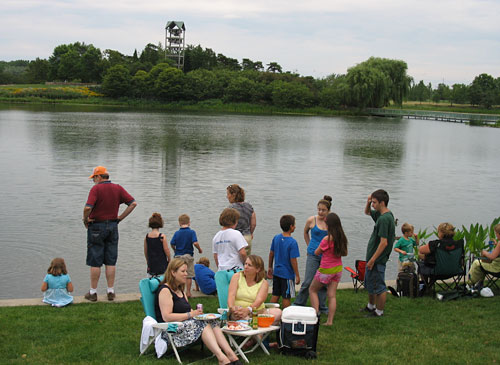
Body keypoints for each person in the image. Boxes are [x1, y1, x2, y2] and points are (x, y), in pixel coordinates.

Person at [155, 258, 242, 365]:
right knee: (202, 324)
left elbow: (187, 310)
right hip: (172, 330)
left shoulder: (180, 289)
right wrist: (191, 314)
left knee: (213, 321)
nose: (186, 274)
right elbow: (166, 317)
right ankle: (221, 358)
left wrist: (198, 314)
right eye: (183, 271)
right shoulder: (165, 290)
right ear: (173, 272)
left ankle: (230, 354)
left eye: (186, 271)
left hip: (186, 325)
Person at [83, 166, 137, 302]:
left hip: (96, 226)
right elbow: (133, 204)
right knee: (111, 261)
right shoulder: (117, 188)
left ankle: (93, 292)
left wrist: (85, 219)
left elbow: (87, 207)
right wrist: (119, 218)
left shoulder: (96, 189)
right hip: (113, 226)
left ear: (99, 177)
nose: (93, 181)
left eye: (94, 178)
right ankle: (110, 291)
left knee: (95, 261)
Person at [293, 195, 332, 314]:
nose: (320, 212)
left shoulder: (331, 222)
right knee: (308, 280)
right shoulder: (311, 220)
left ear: (328, 211)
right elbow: (305, 232)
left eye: (323, 210)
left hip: (326, 256)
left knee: (324, 282)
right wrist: (309, 244)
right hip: (313, 254)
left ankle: (322, 306)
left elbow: (335, 236)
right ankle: (299, 303)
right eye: (319, 209)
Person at [361, 189, 395, 318]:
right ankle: (371, 306)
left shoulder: (384, 219)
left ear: (382, 202)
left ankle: (379, 312)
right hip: (373, 258)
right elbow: (367, 212)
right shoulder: (382, 215)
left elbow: (384, 243)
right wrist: (368, 201)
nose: (372, 204)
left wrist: (373, 259)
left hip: (377, 259)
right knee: (371, 283)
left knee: (379, 286)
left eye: (374, 202)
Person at [309, 213, 348, 326]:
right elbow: (344, 253)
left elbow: (317, 252)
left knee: (312, 290)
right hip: (338, 269)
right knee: (331, 295)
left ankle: (315, 315)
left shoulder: (327, 239)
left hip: (326, 269)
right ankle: (330, 321)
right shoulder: (342, 238)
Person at [227, 255, 281, 324]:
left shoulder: (263, 283)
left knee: (278, 312)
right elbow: (231, 295)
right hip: (238, 312)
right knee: (243, 317)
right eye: (245, 264)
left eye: (249, 265)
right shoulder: (237, 277)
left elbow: (259, 300)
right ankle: (258, 329)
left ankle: (255, 325)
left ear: (257, 269)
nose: (246, 267)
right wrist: (232, 308)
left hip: (256, 312)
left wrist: (248, 310)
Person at [213, 208, 248, 308]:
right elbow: (243, 253)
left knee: (224, 304)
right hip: (235, 270)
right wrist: (245, 264)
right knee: (238, 301)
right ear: (234, 221)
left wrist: (220, 266)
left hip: (221, 272)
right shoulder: (236, 234)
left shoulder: (216, 237)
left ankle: (224, 321)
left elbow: (216, 256)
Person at [267, 215, 300, 308]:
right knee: (286, 297)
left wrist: (270, 267)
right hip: (287, 275)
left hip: (277, 272)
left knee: (275, 294)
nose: (295, 226)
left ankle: (269, 313)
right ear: (291, 227)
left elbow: (271, 253)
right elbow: (293, 260)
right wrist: (297, 275)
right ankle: (286, 316)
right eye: (294, 225)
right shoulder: (293, 242)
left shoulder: (276, 238)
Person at [417, 223, 462, 288]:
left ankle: (427, 286)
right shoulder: (458, 244)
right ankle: (429, 285)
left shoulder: (436, 244)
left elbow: (421, 250)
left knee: (421, 258)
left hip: (438, 272)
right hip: (455, 271)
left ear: (441, 233)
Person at [171, 214, 202, 298]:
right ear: (189, 223)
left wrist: (175, 250)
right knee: (189, 274)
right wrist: (199, 249)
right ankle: (188, 292)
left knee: (178, 274)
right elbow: (195, 243)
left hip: (178, 256)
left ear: (179, 223)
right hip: (188, 255)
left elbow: (172, 243)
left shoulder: (177, 233)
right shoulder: (191, 232)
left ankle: (178, 291)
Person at [226, 184, 256, 255]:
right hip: (247, 238)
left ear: (233, 195)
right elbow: (253, 224)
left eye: (228, 194)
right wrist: (250, 233)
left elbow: (228, 225)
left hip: (236, 239)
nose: (227, 197)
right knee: (246, 262)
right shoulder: (249, 206)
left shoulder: (231, 208)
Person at [468, 224, 500, 288]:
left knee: (477, 263)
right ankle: (479, 283)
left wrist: (484, 253)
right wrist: (497, 245)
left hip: (497, 269)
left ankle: (470, 283)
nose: (496, 235)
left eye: (496, 233)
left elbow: (492, 257)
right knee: (483, 264)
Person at [144, 212, 171, 277]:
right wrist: (169, 260)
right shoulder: (162, 236)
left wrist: (147, 261)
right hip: (162, 264)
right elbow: (166, 250)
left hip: (151, 264)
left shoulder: (147, 237)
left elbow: (145, 251)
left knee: (151, 281)